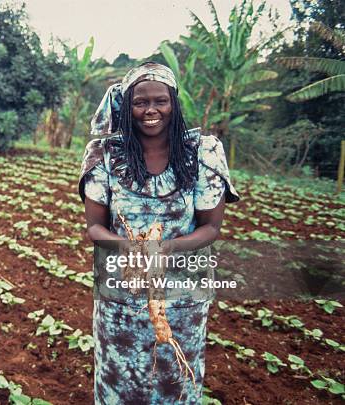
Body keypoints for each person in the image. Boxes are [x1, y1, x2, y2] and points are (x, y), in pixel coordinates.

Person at [78, 62, 240, 404]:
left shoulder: (203, 153)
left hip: (182, 295)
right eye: (140, 102)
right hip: (120, 293)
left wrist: (164, 249)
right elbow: (94, 227)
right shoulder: (104, 155)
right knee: (119, 379)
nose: (150, 111)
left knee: (176, 380)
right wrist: (131, 247)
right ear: (127, 107)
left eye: (160, 101)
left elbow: (211, 227)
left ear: (174, 103)